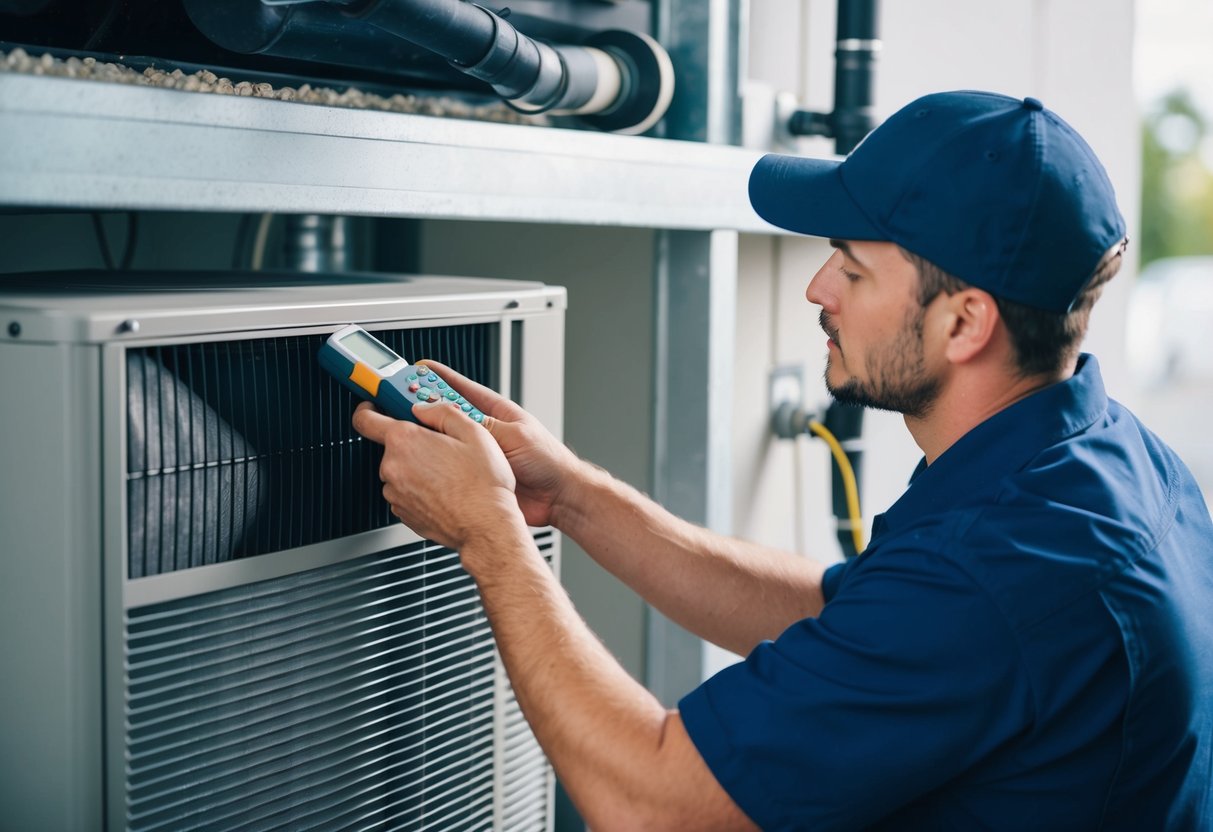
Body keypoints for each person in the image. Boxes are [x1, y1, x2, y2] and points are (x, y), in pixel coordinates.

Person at [352, 90, 1213, 831]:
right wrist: (572, 495)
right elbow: (850, 619)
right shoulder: (1110, 464)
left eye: (852, 268)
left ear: (965, 323)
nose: (818, 290)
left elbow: (652, 806)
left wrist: (490, 539)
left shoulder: (996, 572)